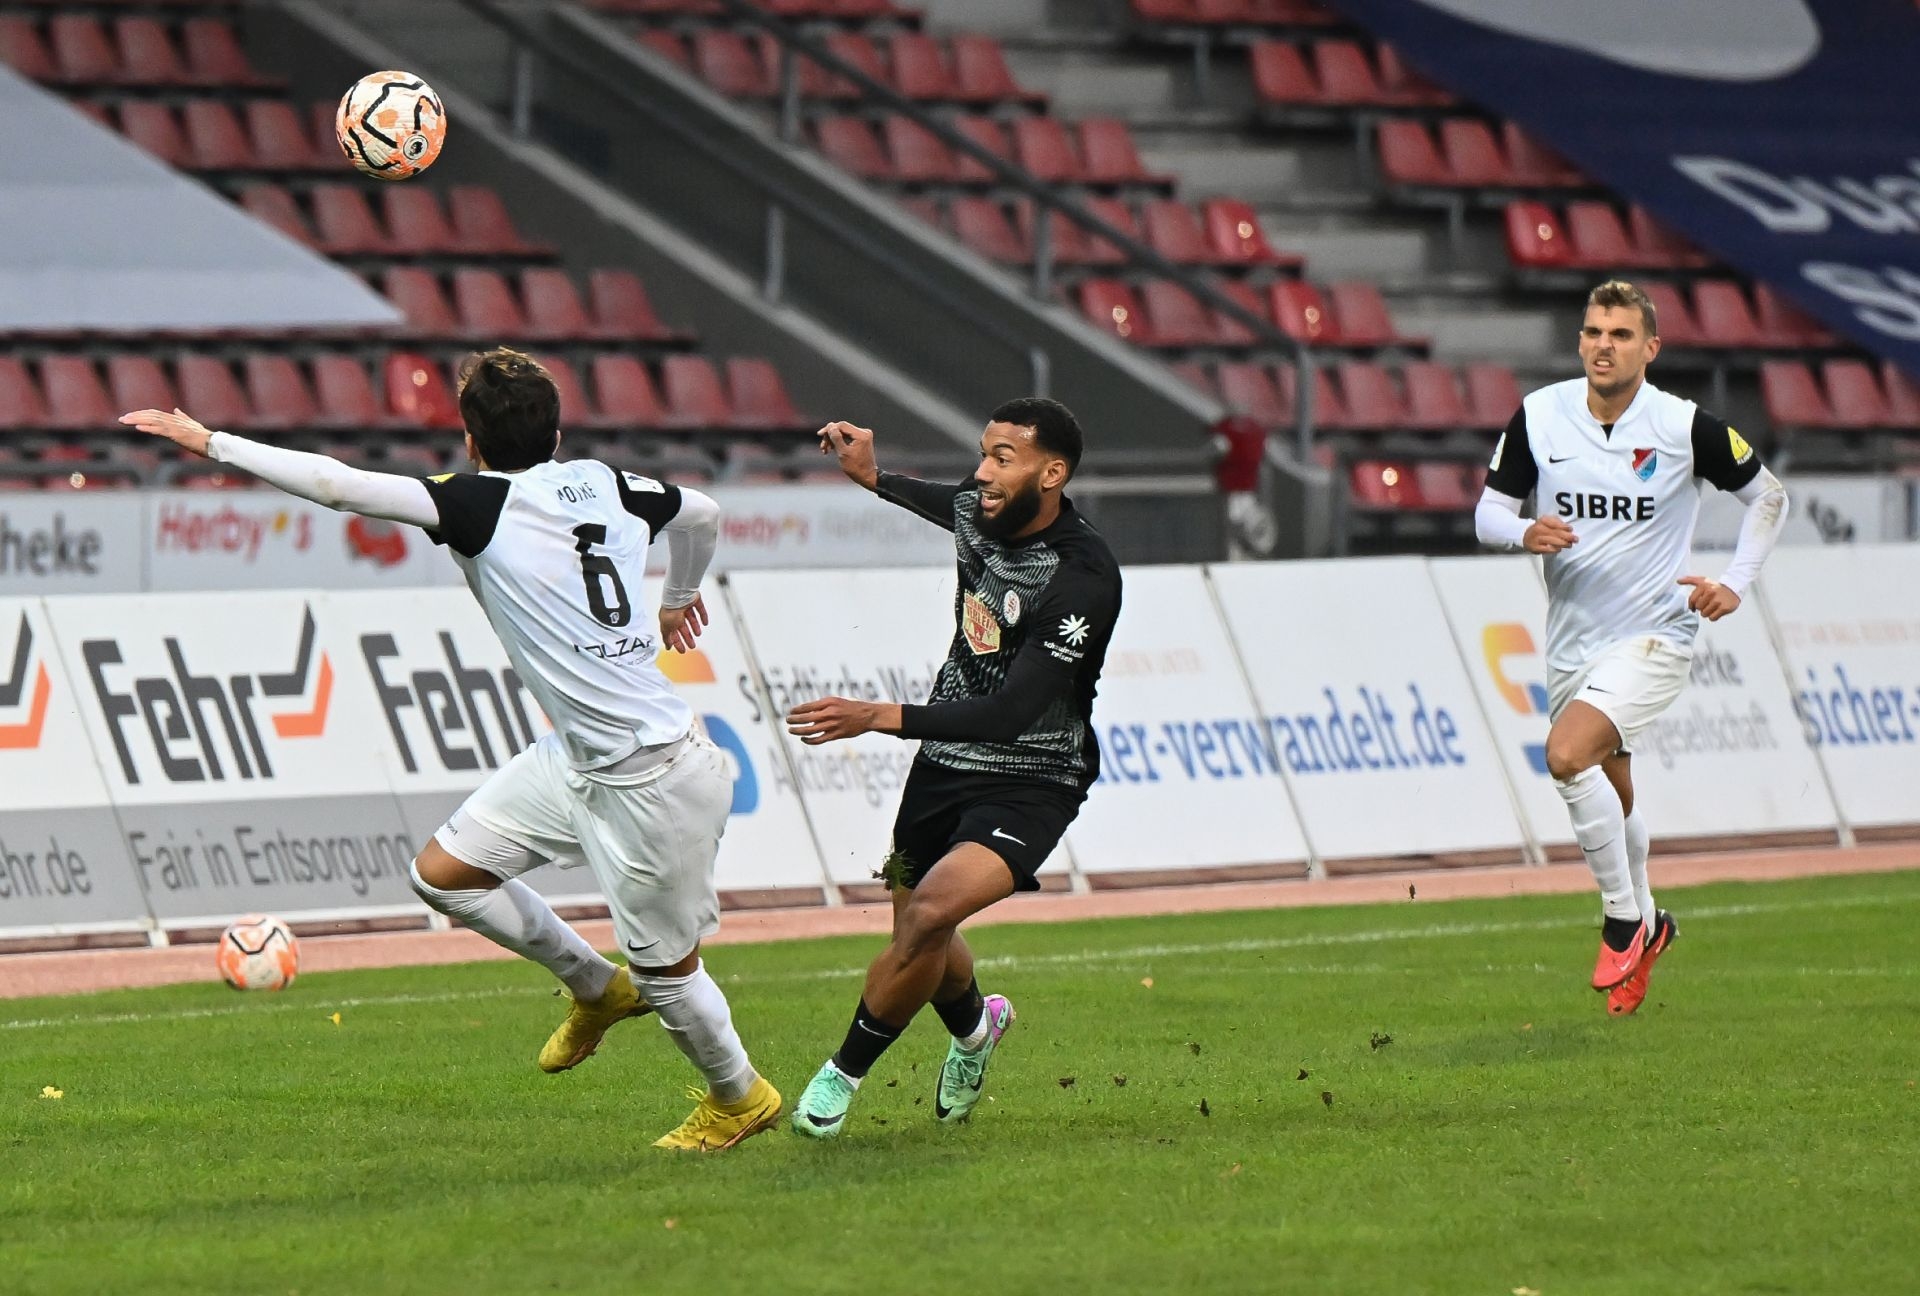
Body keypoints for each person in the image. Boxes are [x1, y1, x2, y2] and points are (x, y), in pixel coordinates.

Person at [121, 348, 780, 1150]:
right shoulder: (607, 482)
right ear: (559, 432)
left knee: (670, 976)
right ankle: (592, 987)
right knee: (445, 873)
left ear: (469, 441)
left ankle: (738, 1095)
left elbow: (336, 483)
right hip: (578, 758)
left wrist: (213, 441)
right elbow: (704, 514)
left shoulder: (476, 505)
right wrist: (677, 598)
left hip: (650, 776)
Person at [783, 397, 1122, 1138]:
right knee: (918, 932)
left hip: (1033, 774)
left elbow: (1011, 713)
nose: (982, 472)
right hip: (941, 766)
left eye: (1004, 457)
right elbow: (950, 503)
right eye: (983, 452)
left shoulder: (1082, 575)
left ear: (1053, 473)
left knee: (933, 912)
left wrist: (878, 716)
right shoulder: (982, 507)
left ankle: (839, 1077)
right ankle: (976, 1033)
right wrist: (873, 478)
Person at [1474, 280, 1789, 1015]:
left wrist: (1735, 581)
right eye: (1592, 333)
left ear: (1649, 349)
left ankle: (1623, 916)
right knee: (1612, 796)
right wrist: (1526, 531)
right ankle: (1653, 922)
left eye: (1618, 335)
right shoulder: (1540, 416)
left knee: (1564, 755)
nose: (1602, 346)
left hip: (1656, 631)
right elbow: (1488, 512)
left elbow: (1769, 498)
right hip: (1573, 637)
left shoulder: (1683, 427)